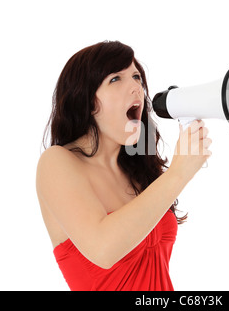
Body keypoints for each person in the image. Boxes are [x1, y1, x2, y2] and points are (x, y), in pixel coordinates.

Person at [36, 40, 212, 291]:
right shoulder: (57, 162)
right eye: (115, 79)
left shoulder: (138, 172)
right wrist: (178, 174)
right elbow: (103, 249)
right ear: (88, 101)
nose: (136, 88)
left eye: (137, 76)